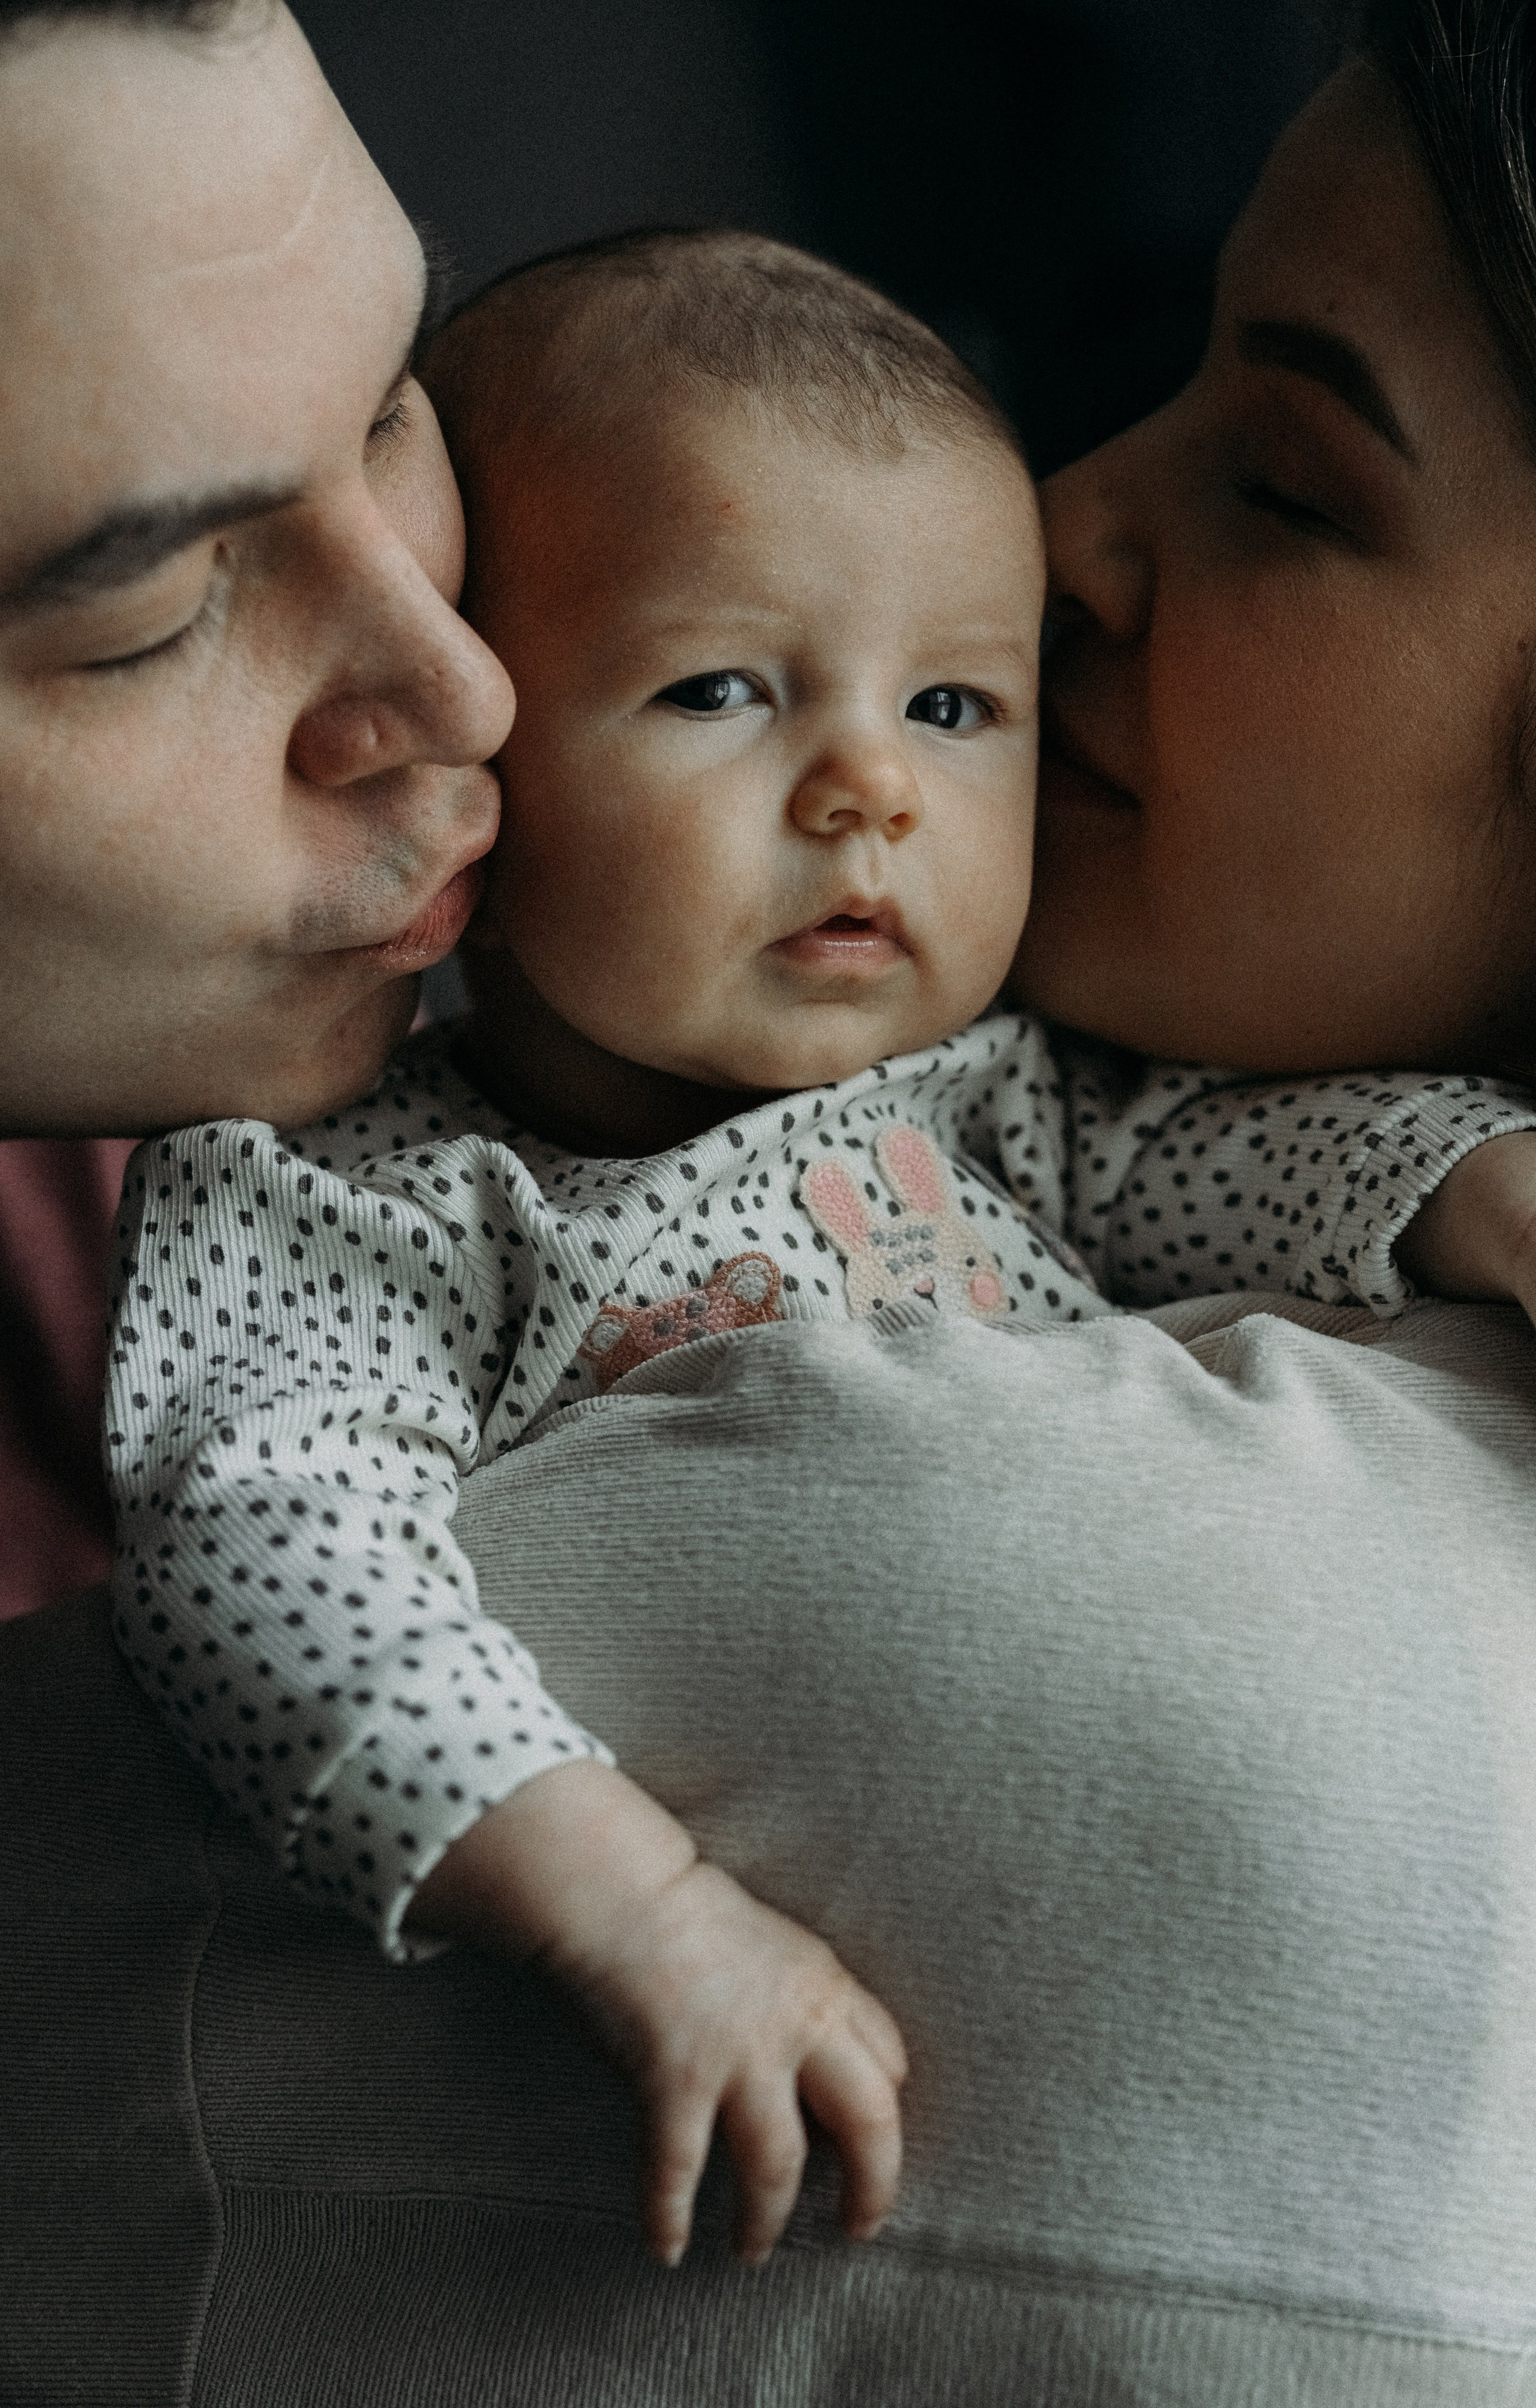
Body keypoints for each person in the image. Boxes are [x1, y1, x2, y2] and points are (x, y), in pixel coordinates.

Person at [5, 1, 1536, 2401]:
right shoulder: (376, 1198)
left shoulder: (1018, 1102)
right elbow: (269, 1523)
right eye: (721, 690)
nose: (867, 797)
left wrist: (1472, 1185)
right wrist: (622, 1895)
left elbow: (1200, 1171)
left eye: (952, 706)